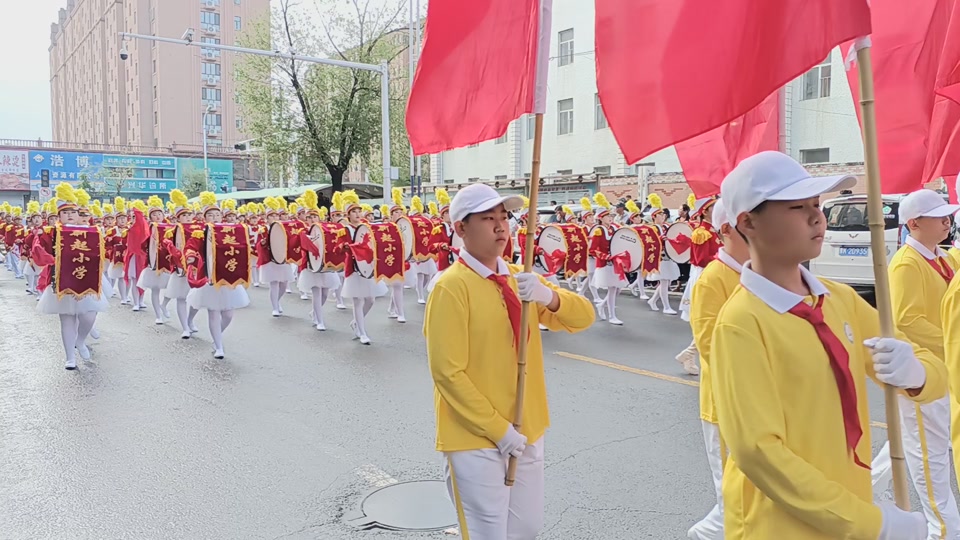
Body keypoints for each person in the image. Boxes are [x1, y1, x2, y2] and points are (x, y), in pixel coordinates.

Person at [714, 151, 941, 540]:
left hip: (846, 505)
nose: (816, 217)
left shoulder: (840, 300)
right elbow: (759, 452)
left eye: (817, 205)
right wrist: (873, 524)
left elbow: (932, 369)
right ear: (748, 222)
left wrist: (917, 373)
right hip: (779, 525)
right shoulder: (741, 322)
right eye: (797, 207)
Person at [424, 183, 595, 540]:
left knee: (525, 530)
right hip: (474, 437)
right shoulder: (450, 287)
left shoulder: (521, 277)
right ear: (460, 228)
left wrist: (549, 297)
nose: (501, 226)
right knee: (488, 534)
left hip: (528, 426)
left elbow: (583, 318)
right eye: (488, 219)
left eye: (504, 217)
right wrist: (498, 430)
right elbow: (447, 372)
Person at [685, 199, 747, 540]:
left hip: (759, 403)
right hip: (725, 405)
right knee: (732, 494)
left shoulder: (759, 272)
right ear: (727, 230)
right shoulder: (713, 278)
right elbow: (710, 345)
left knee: (749, 493)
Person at [32, 183, 113, 370]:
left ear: (78, 214)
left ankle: (81, 340)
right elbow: (39, 248)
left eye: (73, 212)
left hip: (86, 280)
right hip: (62, 280)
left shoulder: (91, 231)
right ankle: (70, 357)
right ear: (59, 216)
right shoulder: (51, 232)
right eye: (65, 212)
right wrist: (48, 253)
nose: (69, 215)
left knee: (89, 317)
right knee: (67, 319)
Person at [184, 192, 251, 359]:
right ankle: (219, 346)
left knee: (228, 315)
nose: (214, 218)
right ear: (204, 217)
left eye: (217, 215)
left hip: (227, 275)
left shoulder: (230, 231)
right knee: (213, 312)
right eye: (210, 215)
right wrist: (190, 256)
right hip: (209, 276)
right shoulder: (200, 232)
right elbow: (190, 247)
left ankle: (217, 336)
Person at [297, 189, 341, 331]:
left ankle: (315, 312)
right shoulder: (303, 231)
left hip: (325, 265)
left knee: (325, 294)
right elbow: (305, 245)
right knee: (317, 293)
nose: (312, 219)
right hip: (311, 266)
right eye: (309, 217)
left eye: (315, 216)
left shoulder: (325, 230)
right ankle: (320, 321)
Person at [162, 189, 202, 339]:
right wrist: (172, 250)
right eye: (184, 215)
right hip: (180, 269)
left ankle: (190, 320)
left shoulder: (200, 229)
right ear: (178, 218)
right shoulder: (172, 232)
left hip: (196, 267)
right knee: (181, 298)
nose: (187, 217)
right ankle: (185, 327)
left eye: (189, 214)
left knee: (197, 297)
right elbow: (169, 249)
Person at [590, 192, 627, 325]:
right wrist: (605, 256)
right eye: (607, 216)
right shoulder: (599, 230)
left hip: (615, 263)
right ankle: (612, 316)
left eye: (611, 216)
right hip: (605, 264)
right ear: (601, 218)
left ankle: (602, 305)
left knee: (618, 289)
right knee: (612, 289)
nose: (610, 218)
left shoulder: (613, 229)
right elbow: (592, 250)